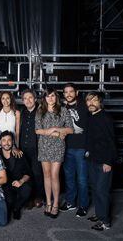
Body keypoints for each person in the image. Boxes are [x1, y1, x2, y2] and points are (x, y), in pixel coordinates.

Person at [35, 88, 73, 218]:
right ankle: (49, 202)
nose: (50, 98)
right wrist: (55, 132)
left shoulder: (63, 110)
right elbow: (37, 130)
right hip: (44, 146)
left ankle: (56, 203)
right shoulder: (40, 111)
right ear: (44, 98)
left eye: (52, 96)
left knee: (54, 175)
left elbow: (70, 130)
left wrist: (56, 128)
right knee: (46, 175)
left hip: (58, 147)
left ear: (56, 97)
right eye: (47, 96)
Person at [85, 92, 117, 231]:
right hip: (92, 160)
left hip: (104, 162)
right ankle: (99, 214)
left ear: (100, 103)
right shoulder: (90, 117)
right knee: (95, 189)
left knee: (102, 191)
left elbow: (111, 141)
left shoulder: (105, 118)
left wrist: (108, 162)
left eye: (94, 101)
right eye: (88, 100)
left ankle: (105, 222)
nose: (91, 103)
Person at [60, 83, 89, 217]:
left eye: (71, 91)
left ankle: (83, 205)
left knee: (82, 179)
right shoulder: (61, 107)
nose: (69, 94)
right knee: (69, 177)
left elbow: (91, 127)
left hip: (81, 147)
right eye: (66, 92)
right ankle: (71, 202)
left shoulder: (84, 106)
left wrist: (89, 147)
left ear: (76, 92)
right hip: (66, 148)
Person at [0, 131, 32, 220]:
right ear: (0, 142)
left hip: (18, 181)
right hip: (4, 184)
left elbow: (28, 173)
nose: (6, 143)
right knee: (8, 200)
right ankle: (10, 206)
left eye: (9, 140)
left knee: (27, 189)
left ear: (13, 142)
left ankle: (17, 207)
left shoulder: (19, 154)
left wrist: (21, 181)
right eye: (4, 140)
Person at [19, 89, 44, 209]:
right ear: (23, 101)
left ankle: (38, 196)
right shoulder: (22, 112)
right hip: (23, 148)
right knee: (26, 173)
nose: (28, 100)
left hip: (37, 147)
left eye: (30, 98)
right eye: (25, 98)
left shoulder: (41, 111)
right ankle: (29, 198)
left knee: (37, 173)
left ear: (35, 99)